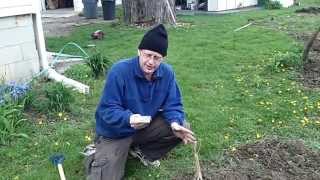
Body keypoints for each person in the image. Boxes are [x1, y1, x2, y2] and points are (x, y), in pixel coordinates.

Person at [86, 24, 196, 180]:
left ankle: (142, 153)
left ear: (162, 58)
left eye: (156, 57)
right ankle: (97, 152)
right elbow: (107, 109)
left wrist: (174, 123)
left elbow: (173, 104)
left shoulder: (167, 73)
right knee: (106, 176)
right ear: (139, 52)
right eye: (147, 55)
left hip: (144, 128)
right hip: (116, 132)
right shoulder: (120, 71)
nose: (151, 62)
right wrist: (129, 119)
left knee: (182, 126)